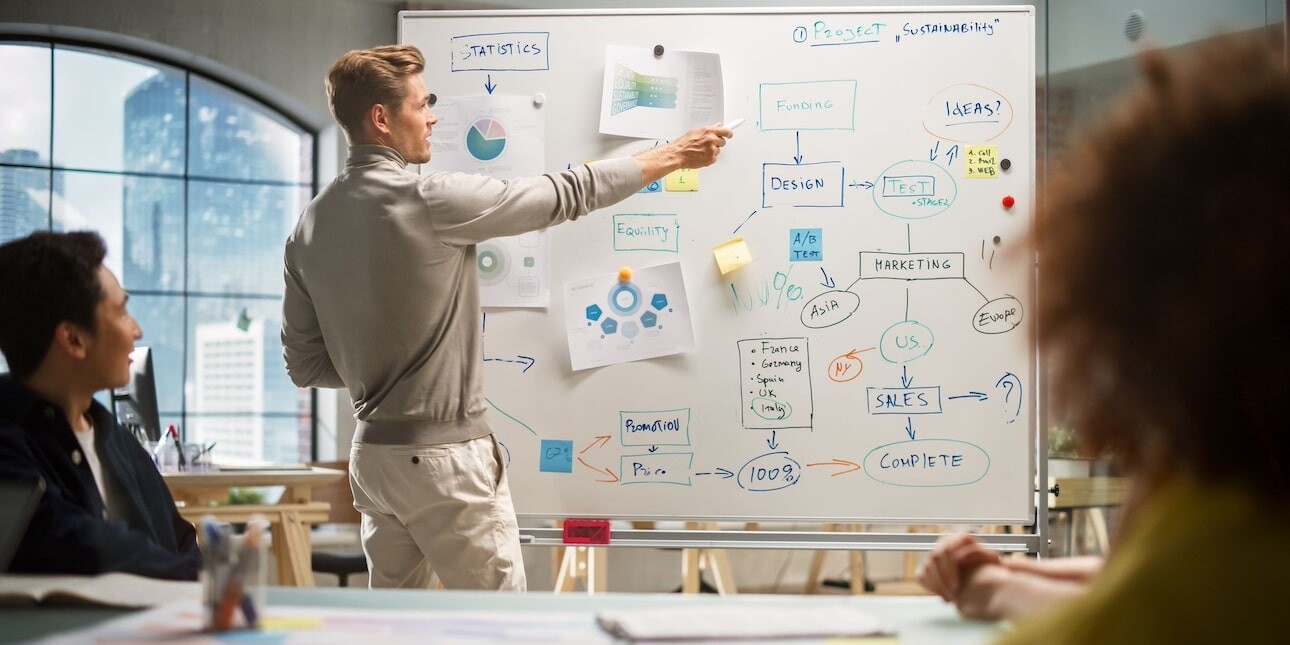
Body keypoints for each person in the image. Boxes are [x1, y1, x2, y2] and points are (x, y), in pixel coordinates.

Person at [281, 44, 733, 591]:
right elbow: (567, 193)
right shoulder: (428, 199)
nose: (432, 117)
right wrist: (675, 154)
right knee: (502, 621)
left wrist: (378, 363)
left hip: (373, 460)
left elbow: (306, 366)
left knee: (399, 623)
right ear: (381, 118)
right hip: (445, 461)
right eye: (421, 105)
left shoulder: (308, 227)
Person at [916, 32, 1290, 642]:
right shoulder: (1239, 513)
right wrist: (1006, 574)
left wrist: (999, 588)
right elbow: (1151, 577)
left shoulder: (1210, 530)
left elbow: (1159, 600)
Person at [0, 231, 200, 580]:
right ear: (74, 339)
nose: (137, 330)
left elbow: (182, 542)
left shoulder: (118, 441)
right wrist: (196, 576)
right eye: (122, 312)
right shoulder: (8, 443)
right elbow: (69, 545)